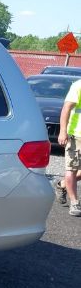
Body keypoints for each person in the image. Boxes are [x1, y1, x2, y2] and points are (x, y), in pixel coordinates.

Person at [58, 79, 81, 216]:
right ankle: (74, 202)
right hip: (76, 136)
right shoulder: (78, 85)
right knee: (71, 169)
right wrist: (63, 131)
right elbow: (66, 108)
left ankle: (62, 184)